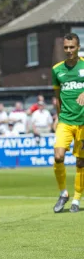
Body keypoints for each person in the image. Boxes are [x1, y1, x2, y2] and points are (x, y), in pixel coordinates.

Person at [52, 33, 84, 213]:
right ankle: (63, 193)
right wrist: (58, 117)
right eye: (66, 47)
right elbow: (57, 98)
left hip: (83, 122)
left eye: (72, 47)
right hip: (65, 120)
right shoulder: (57, 70)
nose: (69, 50)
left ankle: (77, 200)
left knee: (81, 162)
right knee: (58, 156)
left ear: (78, 47)